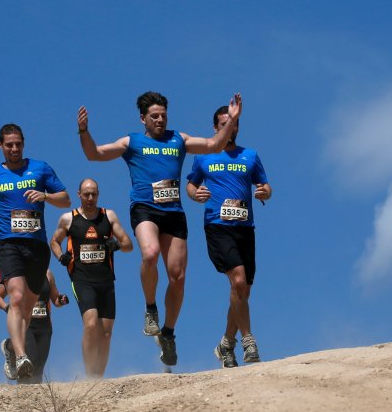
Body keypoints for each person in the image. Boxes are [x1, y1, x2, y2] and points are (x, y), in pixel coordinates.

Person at [77, 92, 242, 367]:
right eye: (154, 116)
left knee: (177, 277)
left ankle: (167, 333)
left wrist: (231, 120)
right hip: (144, 209)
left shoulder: (179, 139)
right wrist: (84, 130)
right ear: (143, 118)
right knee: (150, 254)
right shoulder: (132, 142)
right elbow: (94, 154)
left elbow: (214, 144)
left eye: (163, 115)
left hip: (174, 213)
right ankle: (151, 307)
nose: (160, 120)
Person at [0, 124, 70, 380]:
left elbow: (66, 199)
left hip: (36, 245)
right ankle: (21, 354)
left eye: (18, 144)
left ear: (23, 144)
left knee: (27, 307)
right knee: (15, 297)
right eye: (9, 145)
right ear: (0, 146)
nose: (14, 149)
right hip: (7, 243)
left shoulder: (40, 168)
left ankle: (11, 347)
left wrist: (45, 196)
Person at [186, 106, 272, 367]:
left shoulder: (251, 156)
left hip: (245, 228)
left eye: (234, 123)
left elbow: (265, 185)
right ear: (216, 128)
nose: (230, 127)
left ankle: (225, 344)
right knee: (237, 279)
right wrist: (194, 194)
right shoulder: (203, 156)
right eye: (225, 123)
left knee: (242, 290)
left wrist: (264, 193)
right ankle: (249, 341)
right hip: (217, 225)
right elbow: (190, 184)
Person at [50, 178, 133, 378]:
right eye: (86, 194)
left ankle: (98, 377)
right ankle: (88, 376)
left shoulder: (109, 216)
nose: (90, 198)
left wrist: (117, 245)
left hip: (105, 281)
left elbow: (129, 244)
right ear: (79, 194)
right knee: (91, 323)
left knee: (105, 334)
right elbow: (54, 240)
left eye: (93, 194)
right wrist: (61, 255)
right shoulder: (68, 219)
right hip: (81, 279)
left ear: (98, 194)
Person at [0, 270, 69, 384]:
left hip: (45, 327)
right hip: (25, 324)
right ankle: (10, 347)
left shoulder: (48, 274)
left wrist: (61, 300)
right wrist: (7, 308)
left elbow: (55, 300)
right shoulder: (15, 271)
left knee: (39, 367)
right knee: (31, 360)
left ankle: (33, 398)